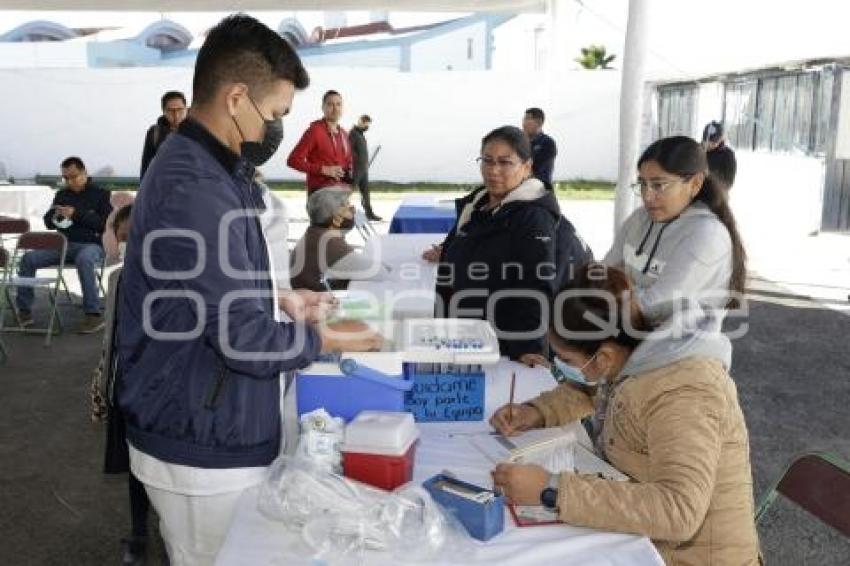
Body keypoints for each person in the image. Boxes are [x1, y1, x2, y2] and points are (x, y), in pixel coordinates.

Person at [117, 15, 382, 565]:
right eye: (276, 114)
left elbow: (214, 284)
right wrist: (328, 339)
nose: (273, 129)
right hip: (198, 435)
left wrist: (279, 299)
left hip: (208, 415)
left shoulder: (213, 169)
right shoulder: (196, 187)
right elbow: (241, 338)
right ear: (237, 97)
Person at [490, 263, 760, 565]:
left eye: (566, 360)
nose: (561, 367)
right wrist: (535, 412)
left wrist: (552, 489)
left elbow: (679, 511)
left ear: (603, 357)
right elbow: (593, 388)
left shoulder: (684, 392)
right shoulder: (634, 349)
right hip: (645, 541)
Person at [422, 126, 591, 364]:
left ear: (527, 166)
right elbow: (477, 238)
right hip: (470, 331)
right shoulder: (479, 202)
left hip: (503, 342)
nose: (493, 170)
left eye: (505, 162)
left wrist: (529, 348)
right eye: (487, 160)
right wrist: (450, 251)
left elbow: (535, 285)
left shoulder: (534, 218)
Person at [604, 135, 746, 325]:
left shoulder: (707, 235)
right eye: (643, 184)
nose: (647, 196)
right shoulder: (640, 218)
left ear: (695, 184)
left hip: (678, 350)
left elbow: (654, 306)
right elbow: (603, 272)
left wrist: (617, 289)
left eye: (658, 185)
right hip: (630, 338)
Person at [88, 205, 152, 566]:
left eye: (133, 236)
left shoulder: (177, 277)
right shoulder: (118, 279)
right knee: (135, 464)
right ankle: (139, 531)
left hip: (164, 388)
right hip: (127, 385)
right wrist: (105, 381)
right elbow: (110, 340)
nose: (126, 243)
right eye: (122, 237)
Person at [16, 156, 112, 334]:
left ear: (84, 173)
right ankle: (24, 311)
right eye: (65, 178)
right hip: (63, 244)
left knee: (84, 259)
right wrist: (56, 216)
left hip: (91, 244)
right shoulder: (62, 194)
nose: (69, 181)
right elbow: (48, 222)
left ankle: (93, 314)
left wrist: (76, 214)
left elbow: (104, 224)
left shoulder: (101, 194)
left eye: (73, 176)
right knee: (28, 258)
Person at [290, 186, 389, 291]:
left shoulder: (315, 234)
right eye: (348, 207)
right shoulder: (330, 245)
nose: (353, 211)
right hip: (317, 302)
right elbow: (381, 272)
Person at [287, 90, 353, 194]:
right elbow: (293, 160)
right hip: (320, 194)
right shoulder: (315, 131)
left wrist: (352, 172)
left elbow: (348, 164)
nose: (335, 109)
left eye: (338, 104)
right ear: (323, 107)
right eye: (330, 104)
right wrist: (323, 169)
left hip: (341, 194)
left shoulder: (345, 135)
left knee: (356, 210)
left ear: (342, 108)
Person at [140, 91, 188, 178]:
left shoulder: (197, 131)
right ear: (163, 111)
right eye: (171, 111)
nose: (176, 115)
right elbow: (146, 167)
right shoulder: (155, 133)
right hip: (163, 187)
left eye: (180, 110)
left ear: (186, 109)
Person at [349, 114, 381, 221]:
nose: (367, 126)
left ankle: (369, 213)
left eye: (368, 125)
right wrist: (356, 162)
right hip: (356, 169)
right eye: (366, 124)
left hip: (363, 169)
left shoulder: (361, 135)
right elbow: (349, 151)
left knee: (366, 192)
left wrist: (364, 163)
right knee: (348, 191)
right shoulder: (353, 134)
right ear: (360, 122)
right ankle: (336, 212)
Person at [521, 107, 557, 191]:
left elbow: (535, 169)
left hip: (540, 190)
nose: (523, 123)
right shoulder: (520, 143)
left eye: (527, 119)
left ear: (539, 122)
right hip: (521, 189)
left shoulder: (548, 143)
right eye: (523, 119)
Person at [702, 120, 737, 191]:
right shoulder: (698, 150)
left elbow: (729, 181)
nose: (709, 144)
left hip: (716, 193)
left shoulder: (727, 155)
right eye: (707, 140)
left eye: (713, 142)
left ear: (720, 139)